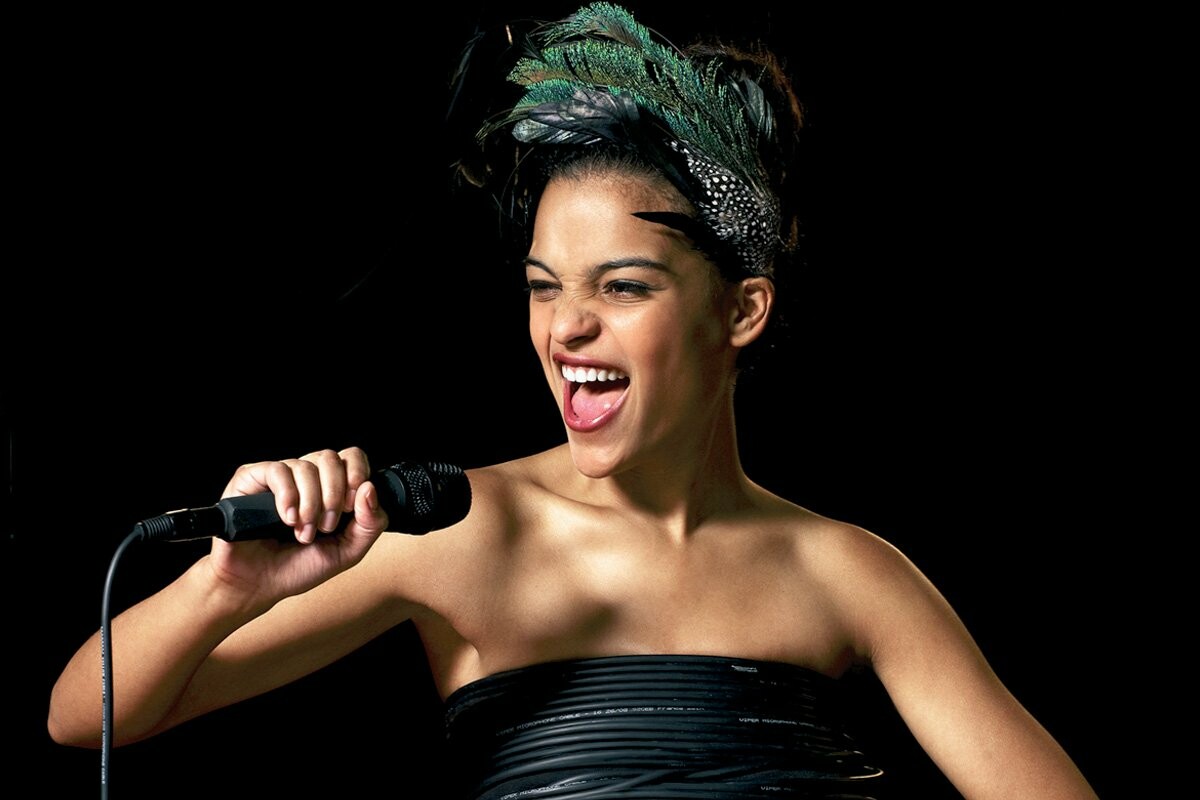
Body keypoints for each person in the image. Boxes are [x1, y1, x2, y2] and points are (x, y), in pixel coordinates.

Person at [48, 4, 1098, 798]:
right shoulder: (459, 530)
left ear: (741, 310)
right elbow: (81, 716)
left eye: (623, 287)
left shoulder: (849, 572)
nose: (567, 329)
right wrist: (223, 587)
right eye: (544, 288)